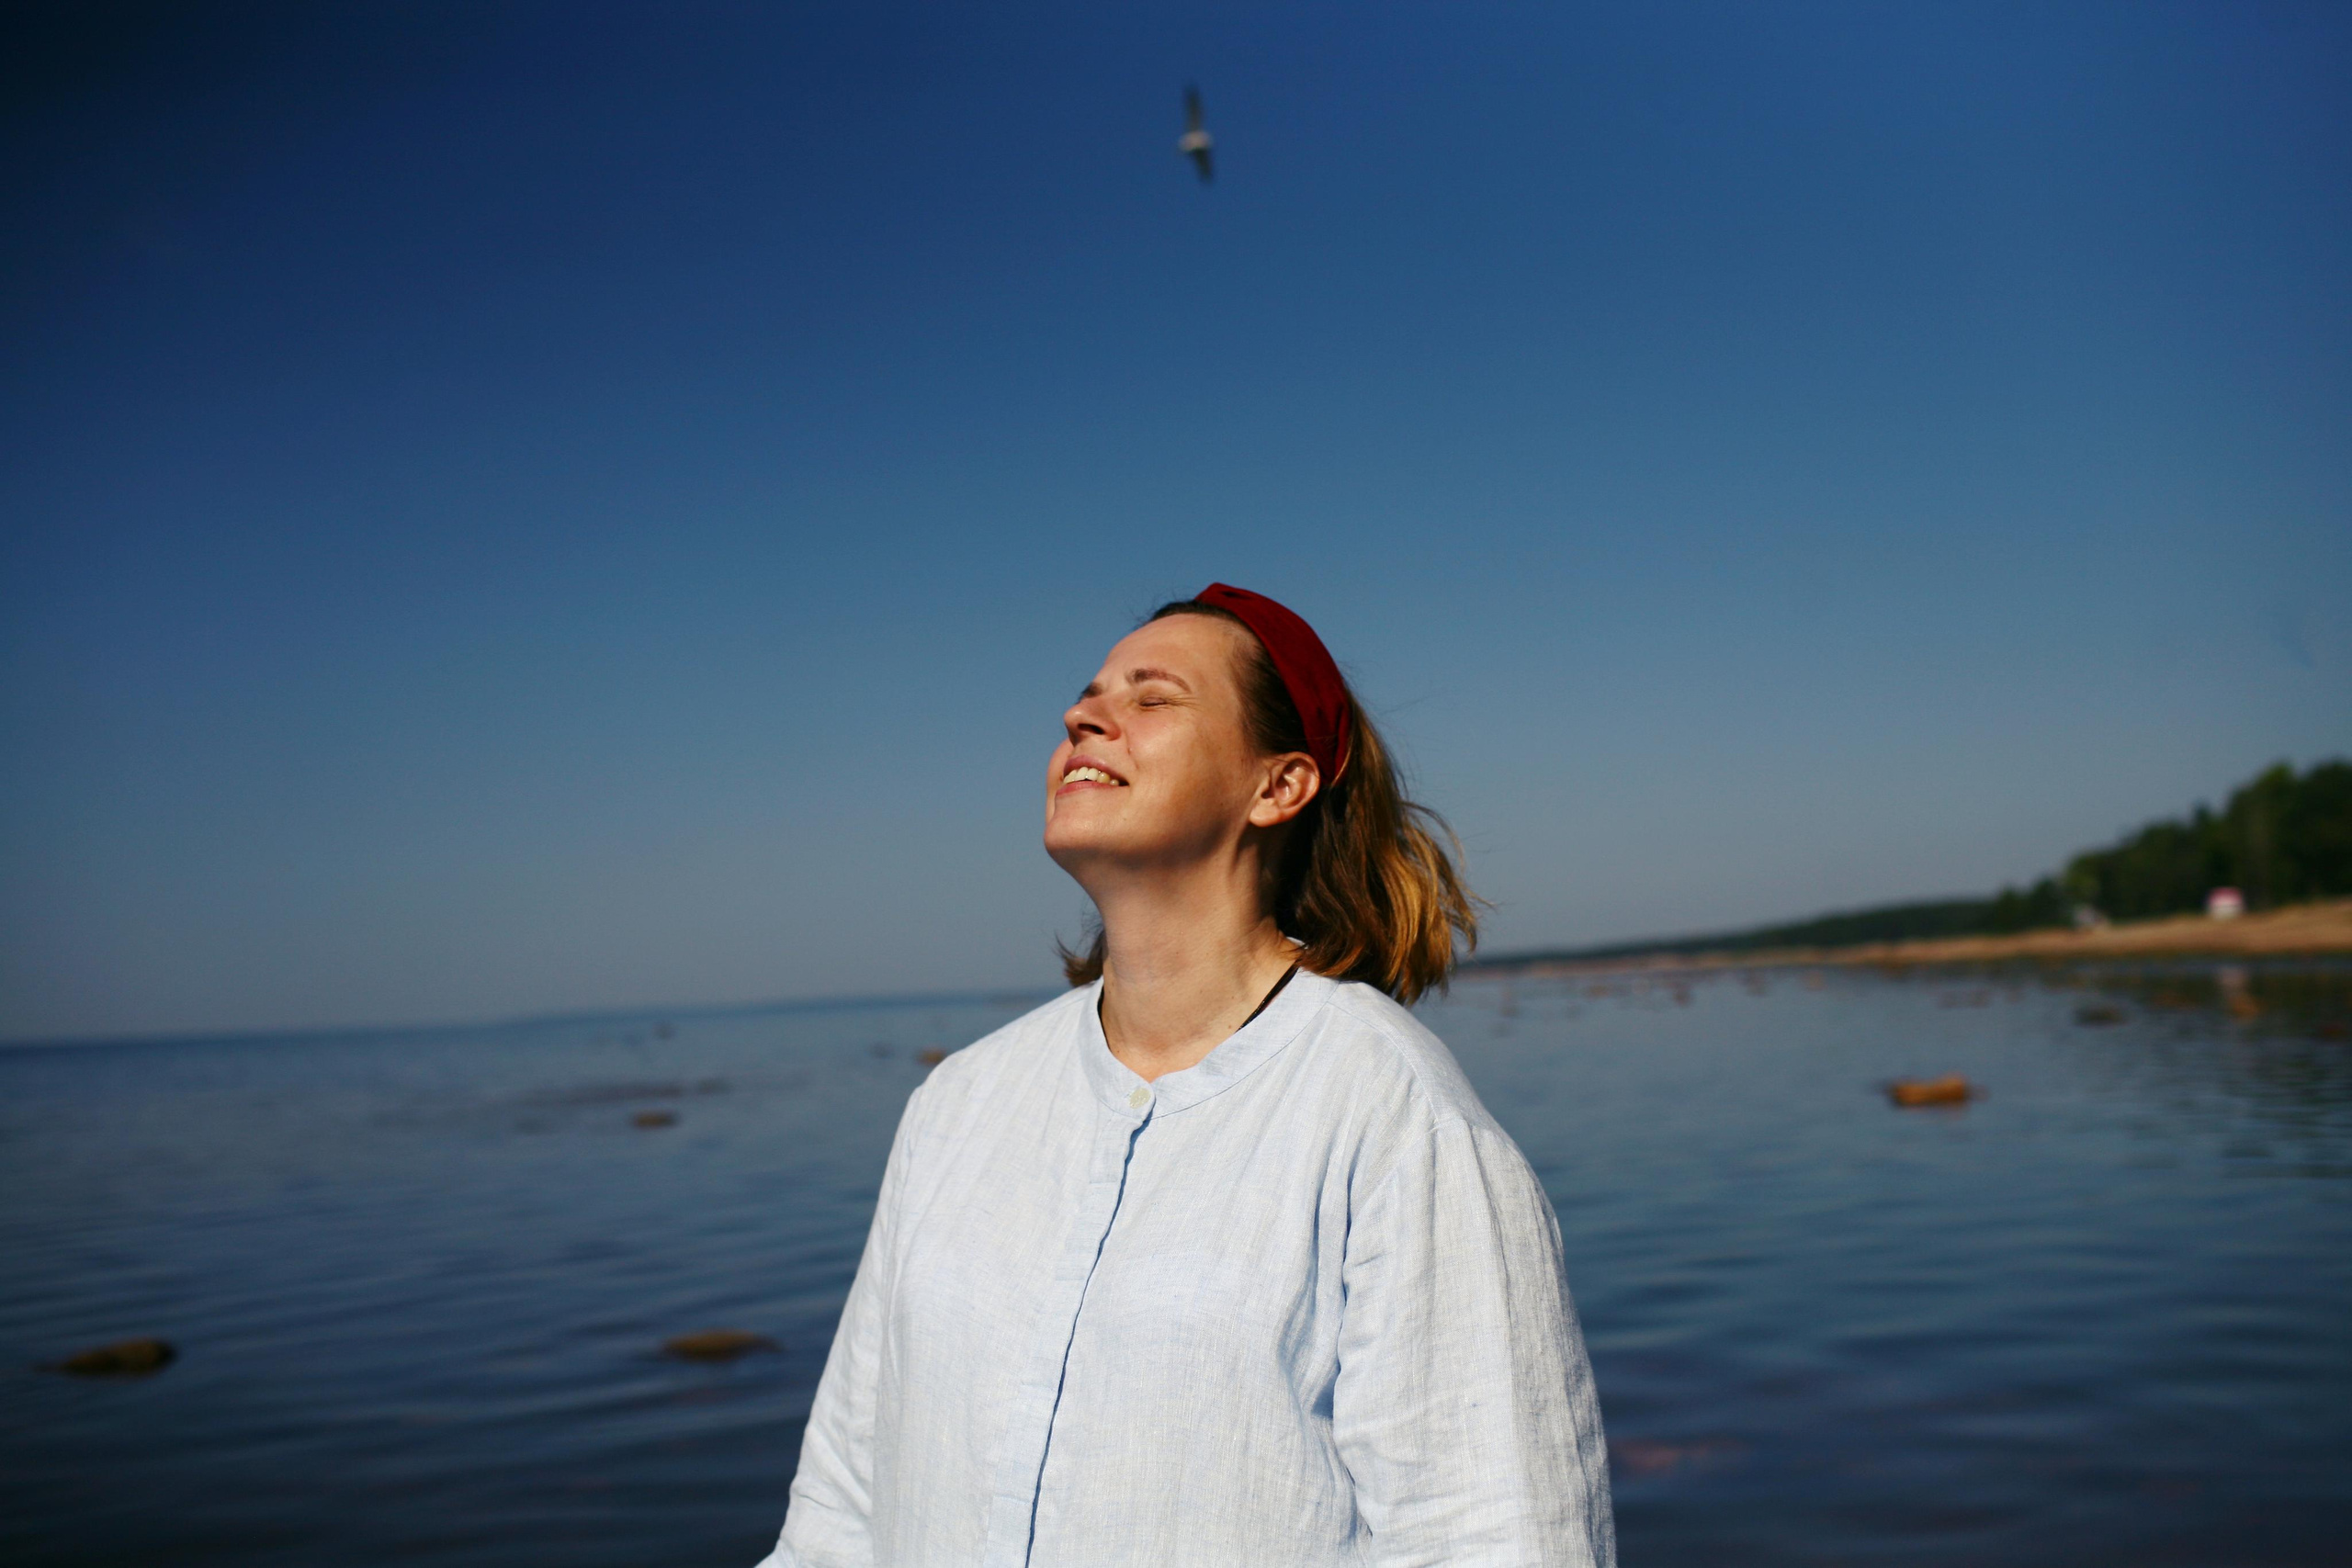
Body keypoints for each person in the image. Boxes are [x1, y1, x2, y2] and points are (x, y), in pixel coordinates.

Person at [761, 585, 1613, 1567]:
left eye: (1151, 698)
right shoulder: (959, 1103)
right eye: (1084, 699)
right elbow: (838, 1510)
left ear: (1277, 787)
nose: (1084, 717)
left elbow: (1494, 1534)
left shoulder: (1387, 1107)